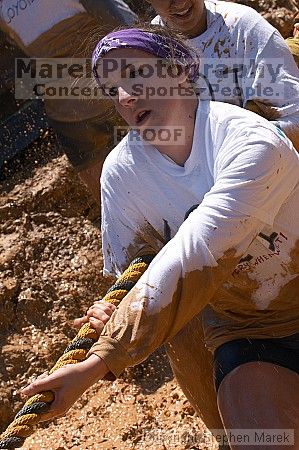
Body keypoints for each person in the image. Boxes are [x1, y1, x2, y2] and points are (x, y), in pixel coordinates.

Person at [23, 26, 299, 449]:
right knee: (257, 438)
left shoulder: (250, 142)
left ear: (178, 72)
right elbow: (136, 273)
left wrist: (99, 362)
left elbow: (196, 253)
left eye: (135, 75)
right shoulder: (122, 174)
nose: (126, 98)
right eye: (113, 88)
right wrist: (114, 306)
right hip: (251, 330)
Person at [0, 0, 137, 203]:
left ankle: (121, 226)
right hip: (111, 92)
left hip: (67, 113)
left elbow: (23, 59)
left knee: (108, 194)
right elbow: (122, 20)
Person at [148, 0, 299, 151]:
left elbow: (293, 118)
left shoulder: (245, 28)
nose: (180, 2)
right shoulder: (147, 52)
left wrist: (241, 148)